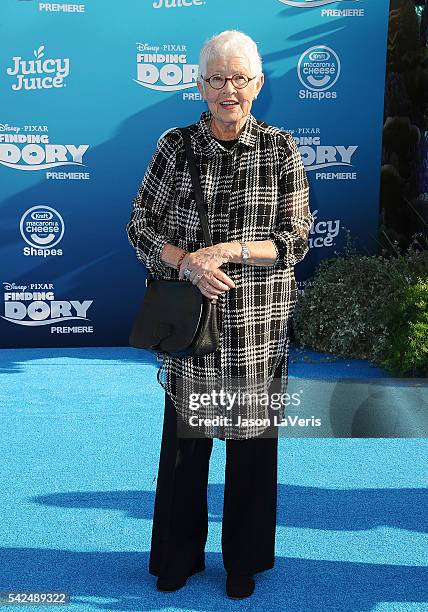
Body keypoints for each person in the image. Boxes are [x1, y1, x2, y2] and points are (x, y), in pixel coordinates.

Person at [126, 29, 314, 599]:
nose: (227, 88)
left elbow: (296, 237)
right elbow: (141, 229)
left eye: (238, 78)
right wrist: (187, 264)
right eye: (215, 78)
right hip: (190, 328)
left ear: (258, 83)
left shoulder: (281, 149)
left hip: (257, 325)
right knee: (185, 446)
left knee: (253, 449)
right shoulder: (173, 147)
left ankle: (244, 562)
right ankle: (177, 557)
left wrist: (227, 250)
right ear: (199, 85)